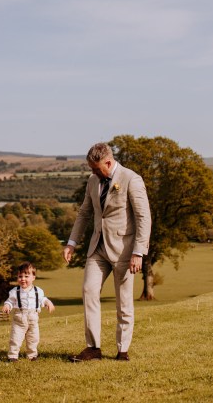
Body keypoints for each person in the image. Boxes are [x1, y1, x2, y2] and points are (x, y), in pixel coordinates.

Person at [63, 142, 151, 362]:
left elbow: (143, 217)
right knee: (89, 291)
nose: (92, 172)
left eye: (95, 168)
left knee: (124, 301)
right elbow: (84, 213)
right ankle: (93, 348)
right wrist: (72, 242)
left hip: (124, 251)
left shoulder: (132, 179)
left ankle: (122, 350)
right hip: (97, 248)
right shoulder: (93, 181)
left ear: (108, 162)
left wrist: (138, 252)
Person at [2, 261, 55, 361]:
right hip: (19, 318)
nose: (23, 279)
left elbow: (42, 299)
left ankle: (32, 355)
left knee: (33, 338)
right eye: (20, 276)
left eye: (26, 276)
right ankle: (13, 356)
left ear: (33, 277)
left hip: (33, 318)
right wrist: (7, 305)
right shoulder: (15, 291)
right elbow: (10, 301)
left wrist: (49, 303)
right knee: (15, 338)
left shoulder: (38, 291)